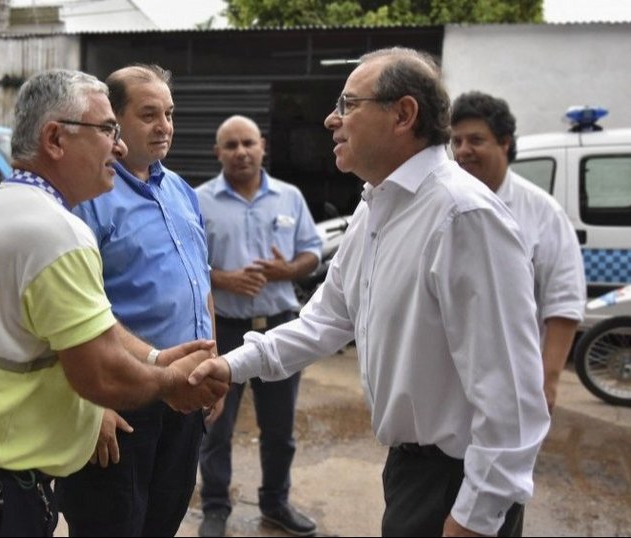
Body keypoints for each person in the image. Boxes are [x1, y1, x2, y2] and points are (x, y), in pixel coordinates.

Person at [189, 47, 551, 537]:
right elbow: (325, 321)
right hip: (412, 473)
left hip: (457, 485)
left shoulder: (464, 217)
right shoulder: (376, 208)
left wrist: (473, 519)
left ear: (403, 114)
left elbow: (512, 398)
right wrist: (230, 366)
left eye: (348, 104)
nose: (330, 118)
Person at [0, 68, 227, 537]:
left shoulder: (16, 201)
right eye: (108, 130)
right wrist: (169, 382)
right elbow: (99, 372)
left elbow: (91, 326)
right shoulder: (56, 230)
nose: (116, 147)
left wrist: (156, 358)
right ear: (55, 139)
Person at [55, 64, 215, 537]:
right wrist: (93, 405)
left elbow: (198, 282)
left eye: (169, 113)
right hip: (121, 399)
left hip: (183, 394)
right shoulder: (88, 197)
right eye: (148, 114)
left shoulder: (181, 191)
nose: (163, 125)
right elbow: (68, 310)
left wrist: (212, 359)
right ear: (113, 120)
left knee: (164, 517)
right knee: (111, 523)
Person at [195, 115, 322, 538]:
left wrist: (285, 270)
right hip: (225, 330)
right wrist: (226, 279)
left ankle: (275, 504)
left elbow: (313, 254)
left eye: (247, 143)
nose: (240, 152)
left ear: (263, 146)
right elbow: (189, 265)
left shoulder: (289, 198)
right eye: (230, 145)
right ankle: (214, 506)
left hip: (279, 330)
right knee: (216, 426)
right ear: (218, 153)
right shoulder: (198, 201)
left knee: (279, 429)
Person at [451, 91, 586, 413]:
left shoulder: (542, 213)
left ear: (505, 143)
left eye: (475, 140)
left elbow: (564, 302)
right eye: (456, 141)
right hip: (449, 380)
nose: (463, 151)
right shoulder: (444, 207)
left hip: (511, 384)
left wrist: (548, 379)